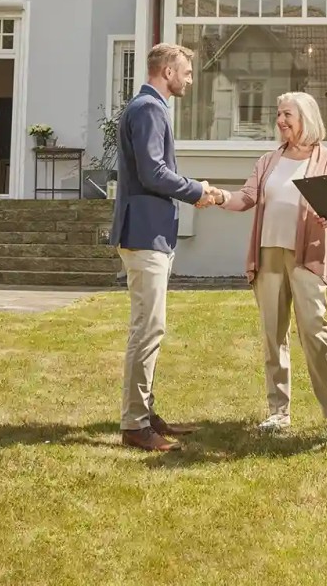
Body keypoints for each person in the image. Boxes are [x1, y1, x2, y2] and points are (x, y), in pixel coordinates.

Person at [110, 43, 226, 452]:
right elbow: (153, 171)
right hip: (144, 234)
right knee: (148, 329)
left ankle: (144, 412)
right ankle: (136, 424)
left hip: (148, 232)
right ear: (167, 72)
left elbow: (155, 170)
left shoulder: (147, 107)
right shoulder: (149, 109)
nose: (190, 79)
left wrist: (195, 190)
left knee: (149, 327)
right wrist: (197, 191)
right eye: (187, 72)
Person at [216, 92, 327, 439]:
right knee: (273, 335)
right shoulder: (268, 161)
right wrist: (216, 196)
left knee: (315, 333)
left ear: (305, 117)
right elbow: (246, 197)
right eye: (278, 115)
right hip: (268, 255)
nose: (281, 120)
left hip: (308, 255)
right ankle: (278, 411)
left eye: (287, 114)